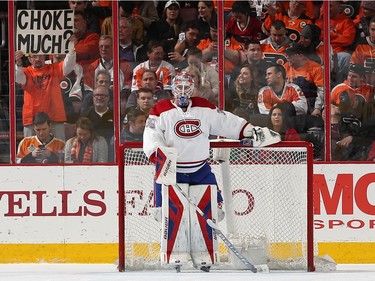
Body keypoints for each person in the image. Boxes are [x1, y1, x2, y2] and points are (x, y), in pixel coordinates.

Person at [143, 72, 276, 272]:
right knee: (170, 214)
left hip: (200, 169)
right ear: (172, 88)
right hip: (172, 171)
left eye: (186, 86)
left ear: (192, 87)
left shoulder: (203, 107)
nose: (182, 91)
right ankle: (174, 255)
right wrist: (159, 154)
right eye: (178, 87)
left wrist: (249, 131)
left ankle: (205, 255)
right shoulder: (160, 110)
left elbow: (226, 121)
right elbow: (151, 135)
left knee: (210, 212)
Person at [15, 44, 77, 141]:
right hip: (32, 118)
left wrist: (71, 48)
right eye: (34, 56)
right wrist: (18, 64)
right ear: (30, 59)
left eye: (40, 55)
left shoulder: (54, 68)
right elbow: (19, 79)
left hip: (55, 117)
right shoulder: (26, 71)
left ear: (45, 56)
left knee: (59, 149)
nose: (37, 58)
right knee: (30, 150)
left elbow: (69, 65)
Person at [283, 44, 324, 116]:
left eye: (291, 55)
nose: (288, 57)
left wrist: (317, 108)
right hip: (288, 104)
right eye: (287, 55)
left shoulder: (315, 68)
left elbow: (321, 89)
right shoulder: (285, 67)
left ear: (301, 56)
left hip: (309, 105)